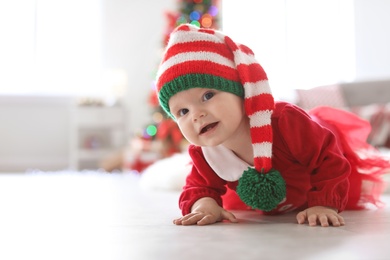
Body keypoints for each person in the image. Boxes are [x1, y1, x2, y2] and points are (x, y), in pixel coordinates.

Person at [155, 24, 390, 227]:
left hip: (312, 180)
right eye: (182, 112)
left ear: (241, 92)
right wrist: (204, 204)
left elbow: (328, 159)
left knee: (330, 162)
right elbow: (198, 185)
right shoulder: (206, 153)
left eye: (207, 95)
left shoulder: (286, 123)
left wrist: (324, 205)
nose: (197, 115)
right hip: (278, 195)